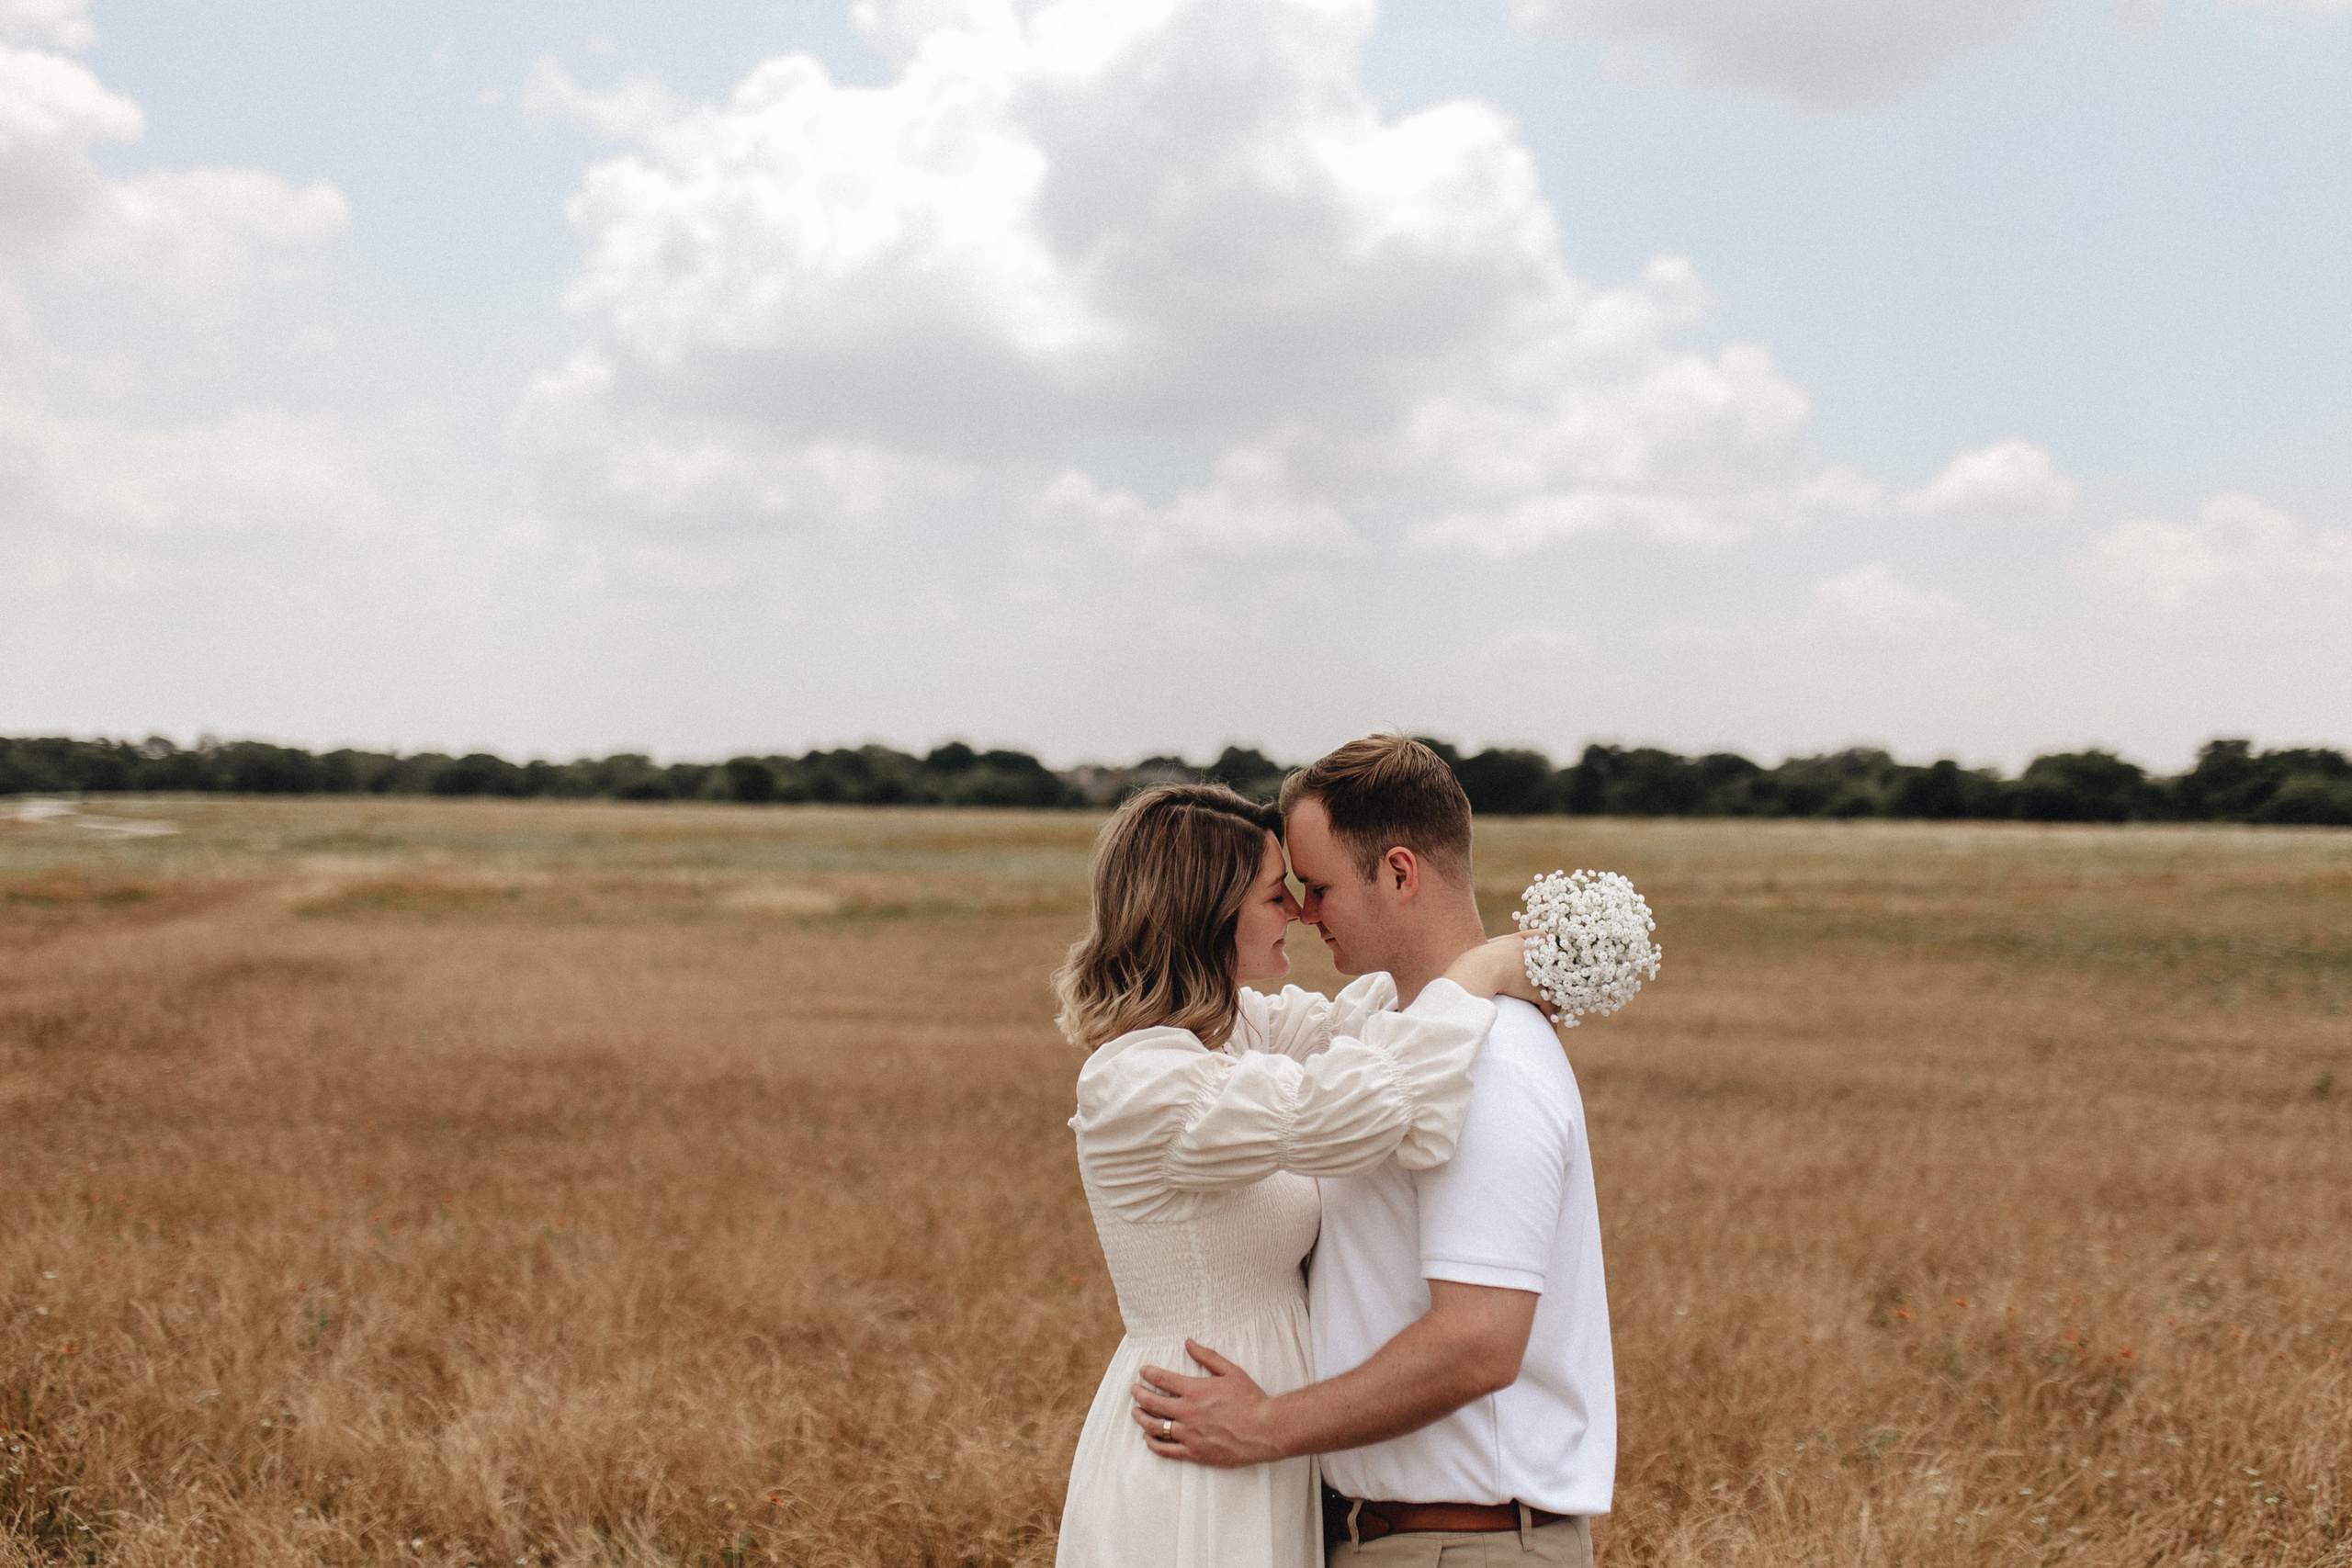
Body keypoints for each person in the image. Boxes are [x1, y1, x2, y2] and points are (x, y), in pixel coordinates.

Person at [1129, 737, 1615, 1566]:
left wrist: (1264, 1425)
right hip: (1403, 1538)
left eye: (1318, 888)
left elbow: (1479, 1340)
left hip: (1456, 1545)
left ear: (1398, 872)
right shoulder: (1403, 1039)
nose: (1304, 913)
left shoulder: (1487, 1066)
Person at [1053, 782, 1541, 1568]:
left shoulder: (1234, 1029)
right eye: (1277, 894)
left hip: (1261, 1431)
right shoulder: (1140, 1081)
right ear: (1207, 913)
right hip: (1196, 1439)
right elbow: (1348, 1106)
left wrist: (1474, 949)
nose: (1301, 912)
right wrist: (1480, 973)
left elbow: (1361, 1018)